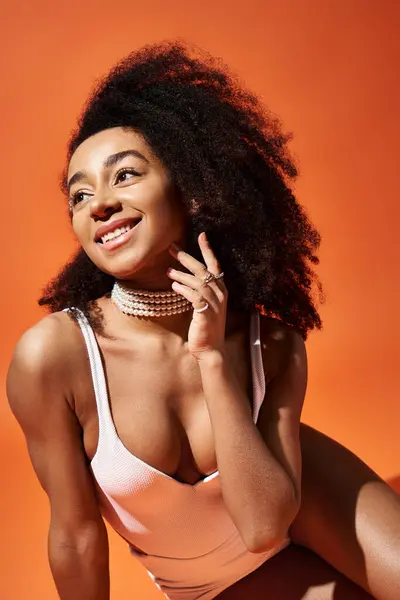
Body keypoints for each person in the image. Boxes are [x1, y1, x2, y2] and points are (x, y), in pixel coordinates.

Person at [6, 41, 400, 600]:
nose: (98, 205)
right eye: (80, 195)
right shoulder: (57, 357)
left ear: (190, 186)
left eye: (125, 176)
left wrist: (212, 358)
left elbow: (266, 526)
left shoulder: (273, 343)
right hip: (208, 584)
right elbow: (75, 538)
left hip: (303, 500)